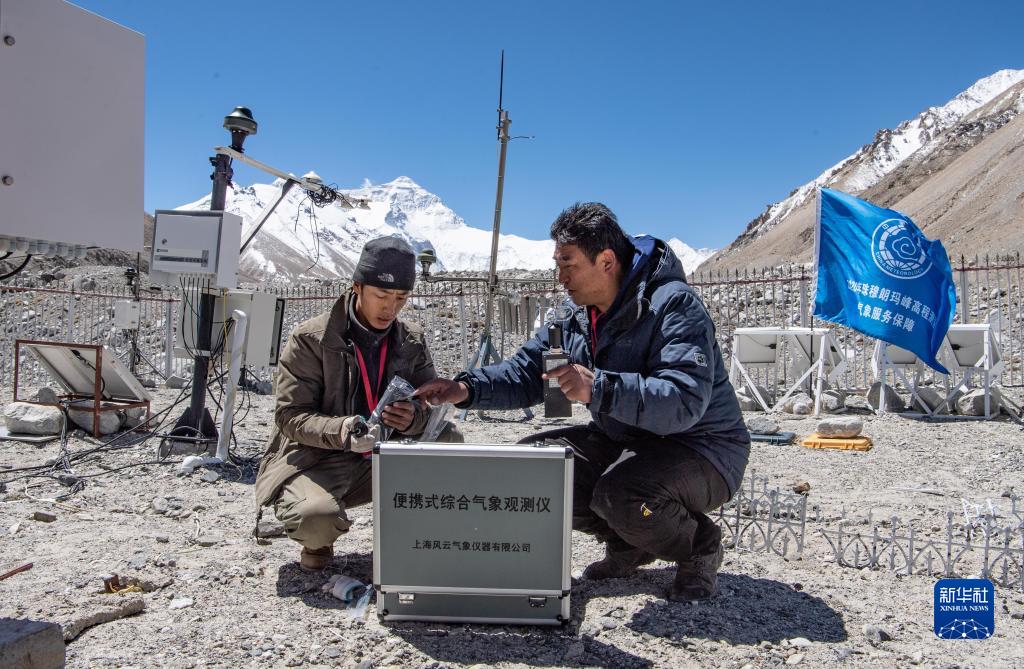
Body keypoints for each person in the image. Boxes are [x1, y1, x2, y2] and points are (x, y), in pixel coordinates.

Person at [415, 203, 750, 601]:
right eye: (557, 265)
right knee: (535, 469)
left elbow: (683, 400)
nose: (561, 277)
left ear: (606, 261)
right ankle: (630, 542)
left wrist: (599, 388)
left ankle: (699, 545)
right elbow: (526, 373)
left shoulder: (673, 305)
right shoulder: (576, 318)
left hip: (703, 449)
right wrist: (465, 389)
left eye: (568, 265)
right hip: (628, 441)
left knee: (623, 494)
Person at [255, 236, 461, 571]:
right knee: (314, 518)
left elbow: (431, 405)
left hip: (386, 454)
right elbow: (290, 416)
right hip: (320, 457)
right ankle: (319, 538)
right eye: (381, 295)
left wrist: (413, 418)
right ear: (357, 287)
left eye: (401, 298)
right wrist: (342, 430)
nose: (390, 308)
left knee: (449, 438)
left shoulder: (411, 339)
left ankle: (418, 534)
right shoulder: (311, 339)